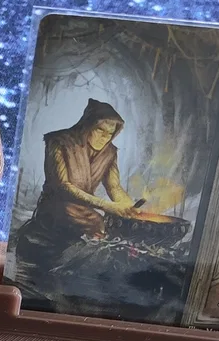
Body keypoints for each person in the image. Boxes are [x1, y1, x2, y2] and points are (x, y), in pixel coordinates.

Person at [24, 98, 139, 246]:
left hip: (85, 210)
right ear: (88, 126)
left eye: (110, 133)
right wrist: (106, 205)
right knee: (94, 226)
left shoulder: (109, 152)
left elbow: (114, 186)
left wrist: (127, 205)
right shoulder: (59, 142)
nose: (104, 137)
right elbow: (63, 187)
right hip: (56, 207)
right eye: (100, 130)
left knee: (109, 229)